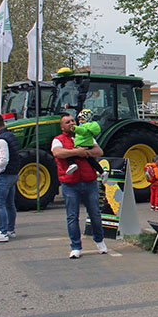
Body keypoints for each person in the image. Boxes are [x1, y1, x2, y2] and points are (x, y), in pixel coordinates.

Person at [51, 112, 108, 259]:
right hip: (70, 184)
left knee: (95, 214)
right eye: (67, 122)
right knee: (72, 216)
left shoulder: (85, 134)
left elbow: (99, 151)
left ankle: (100, 240)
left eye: (72, 121)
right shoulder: (58, 140)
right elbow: (57, 153)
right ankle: (76, 246)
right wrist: (76, 152)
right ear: (62, 127)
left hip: (90, 181)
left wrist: (85, 153)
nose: (71, 123)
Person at [0, 114, 20, 243]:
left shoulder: (1, 139)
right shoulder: (10, 136)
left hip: (4, 175)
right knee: (10, 204)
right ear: (3, 123)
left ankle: (3, 232)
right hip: (13, 174)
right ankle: (10, 230)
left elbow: (4, 158)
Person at [63, 109, 107, 181]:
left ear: (87, 119)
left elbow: (82, 131)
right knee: (91, 160)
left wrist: (75, 128)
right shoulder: (89, 126)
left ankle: (72, 164)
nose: (80, 121)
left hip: (83, 145)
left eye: (82, 119)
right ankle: (102, 172)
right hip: (87, 145)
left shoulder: (85, 126)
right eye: (79, 120)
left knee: (69, 155)